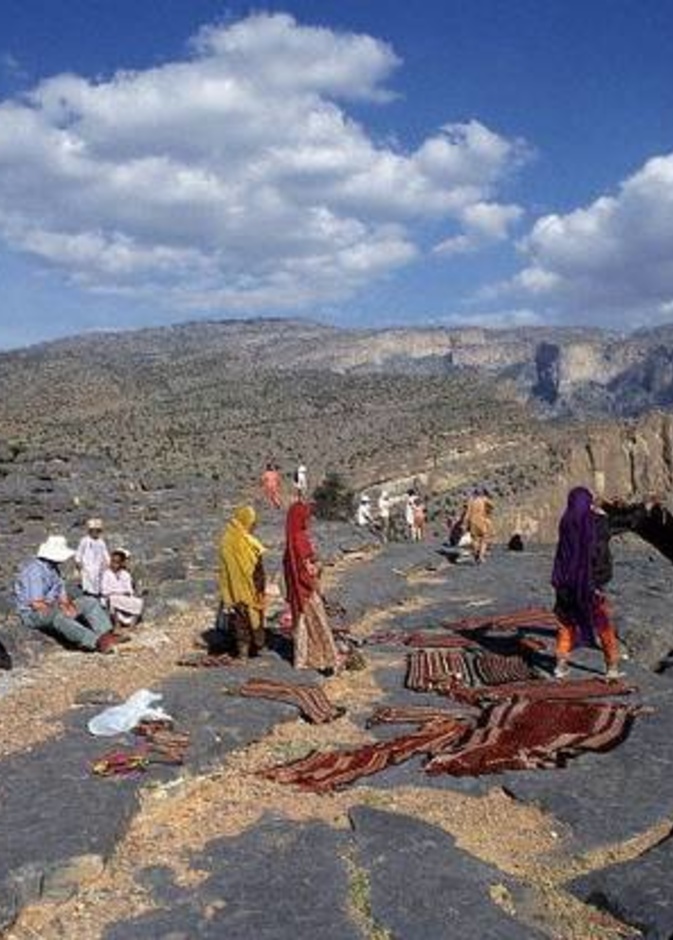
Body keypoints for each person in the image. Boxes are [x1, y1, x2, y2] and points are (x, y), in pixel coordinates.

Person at [552, 486, 622, 680]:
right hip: (590, 584)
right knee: (603, 624)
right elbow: (601, 548)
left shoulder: (566, 521)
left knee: (566, 623)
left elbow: (563, 553)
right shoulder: (597, 523)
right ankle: (612, 666)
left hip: (566, 583)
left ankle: (561, 664)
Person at [14, 535, 117, 653]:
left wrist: (67, 605)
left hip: (52, 606)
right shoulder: (35, 571)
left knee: (90, 602)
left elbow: (61, 593)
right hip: (33, 614)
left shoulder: (53, 569)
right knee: (58, 616)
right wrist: (61, 610)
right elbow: (37, 604)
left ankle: (106, 634)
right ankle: (95, 642)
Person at [283, 501, 338, 673]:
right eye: (306, 516)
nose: (309, 519)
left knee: (302, 623)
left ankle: (302, 659)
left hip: (297, 589)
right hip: (306, 588)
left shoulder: (291, 539)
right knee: (318, 622)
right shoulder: (301, 539)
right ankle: (323, 658)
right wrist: (318, 569)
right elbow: (308, 568)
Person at [218, 506, 267, 659]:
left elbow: (224, 567)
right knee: (250, 616)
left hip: (234, 587)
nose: (254, 526)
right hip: (250, 584)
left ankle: (244, 651)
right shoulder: (248, 541)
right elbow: (257, 564)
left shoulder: (226, 539)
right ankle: (251, 648)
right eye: (253, 523)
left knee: (240, 617)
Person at [101, 549, 144, 628]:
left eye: (117, 562)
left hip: (123, 598)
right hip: (111, 598)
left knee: (139, 602)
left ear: (121, 563)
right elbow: (105, 591)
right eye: (112, 561)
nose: (114, 565)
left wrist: (125, 593)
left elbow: (129, 590)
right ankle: (117, 624)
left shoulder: (125, 574)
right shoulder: (106, 574)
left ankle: (132, 624)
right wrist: (119, 592)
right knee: (113, 600)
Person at [75, 518, 110, 597]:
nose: (95, 533)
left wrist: (108, 561)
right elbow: (80, 551)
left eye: (97, 531)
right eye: (93, 530)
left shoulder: (101, 542)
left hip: (98, 564)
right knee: (88, 577)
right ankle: (88, 592)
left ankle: (97, 593)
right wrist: (78, 561)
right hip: (87, 564)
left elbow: (105, 552)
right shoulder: (85, 540)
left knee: (98, 578)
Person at [464, 488, 494, 563]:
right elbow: (492, 506)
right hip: (481, 521)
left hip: (472, 522)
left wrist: (465, 523)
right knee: (484, 539)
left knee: (475, 539)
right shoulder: (483, 500)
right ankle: (481, 556)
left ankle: (476, 553)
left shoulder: (471, 501)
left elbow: (467, 513)